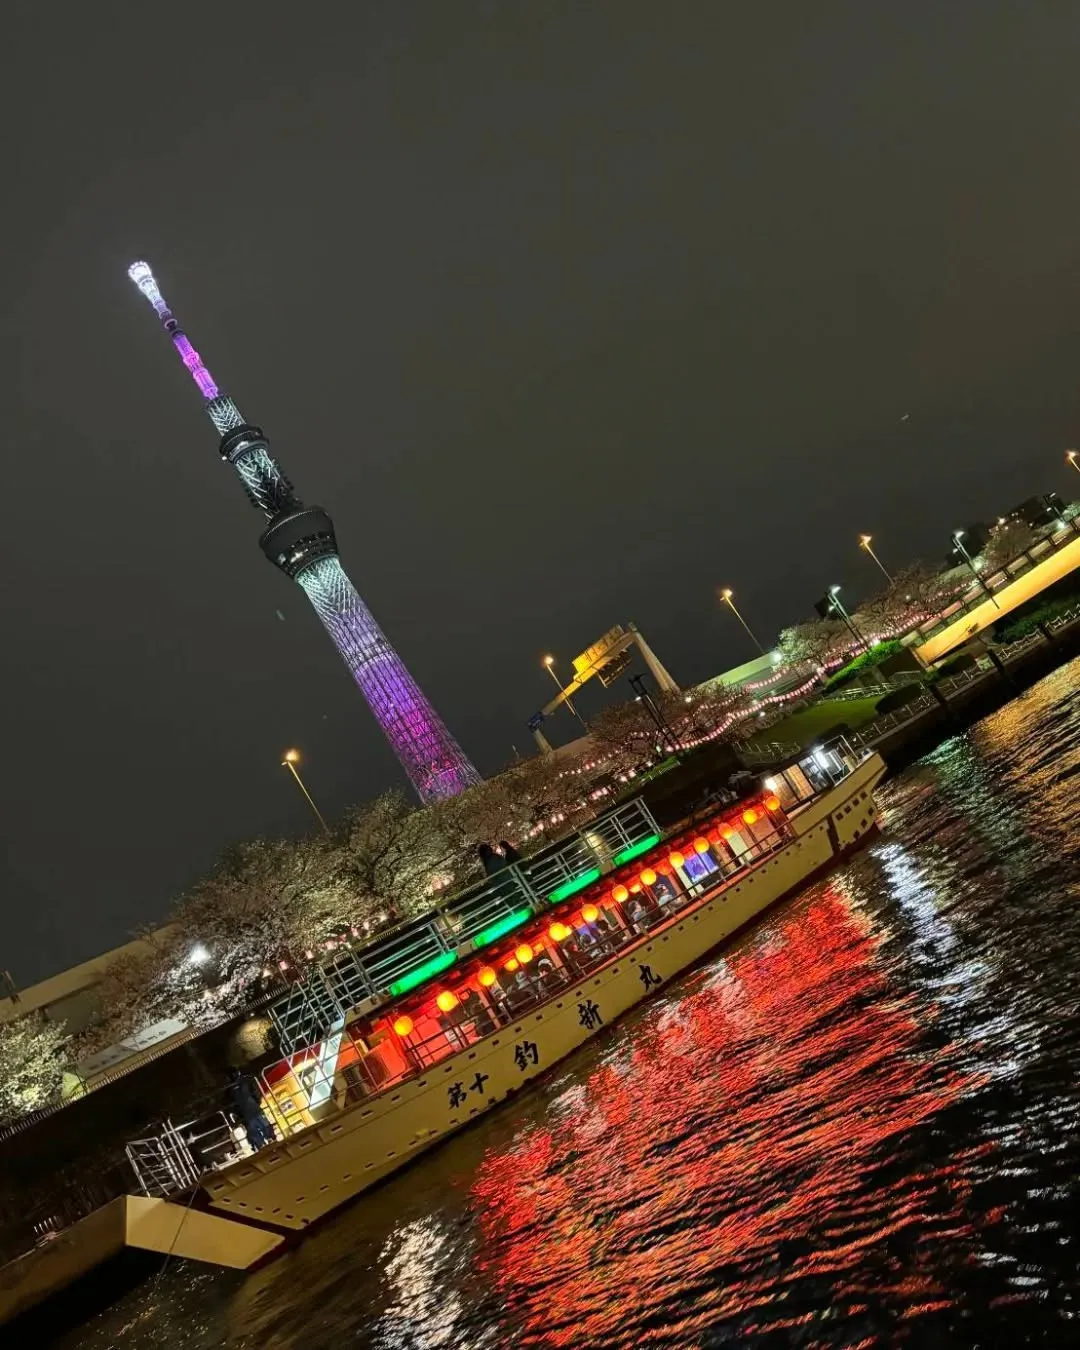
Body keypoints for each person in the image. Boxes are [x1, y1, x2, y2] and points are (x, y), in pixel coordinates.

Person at [226, 1068, 275, 1150]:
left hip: (247, 1112)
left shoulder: (231, 1087)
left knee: (257, 1128)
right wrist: (256, 1102)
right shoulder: (245, 1081)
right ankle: (267, 1140)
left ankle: (263, 1143)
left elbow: (232, 1104)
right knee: (261, 1126)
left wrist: (238, 1114)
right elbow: (256, 1093)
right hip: (251, 1110)